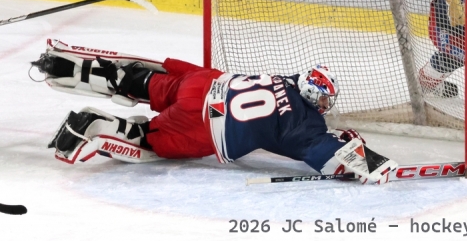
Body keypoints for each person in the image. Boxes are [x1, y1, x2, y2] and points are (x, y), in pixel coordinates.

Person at [30, 39, 398, 184]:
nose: (322, 107)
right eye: (321, 101)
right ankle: (96, 124)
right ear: (312, 96)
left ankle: (74, 68)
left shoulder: (285, 79)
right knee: (151, 140)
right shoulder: (305, 124)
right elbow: (332, 160)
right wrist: (367, 160)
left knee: (146, 83)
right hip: (206, 127)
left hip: (203, 84)